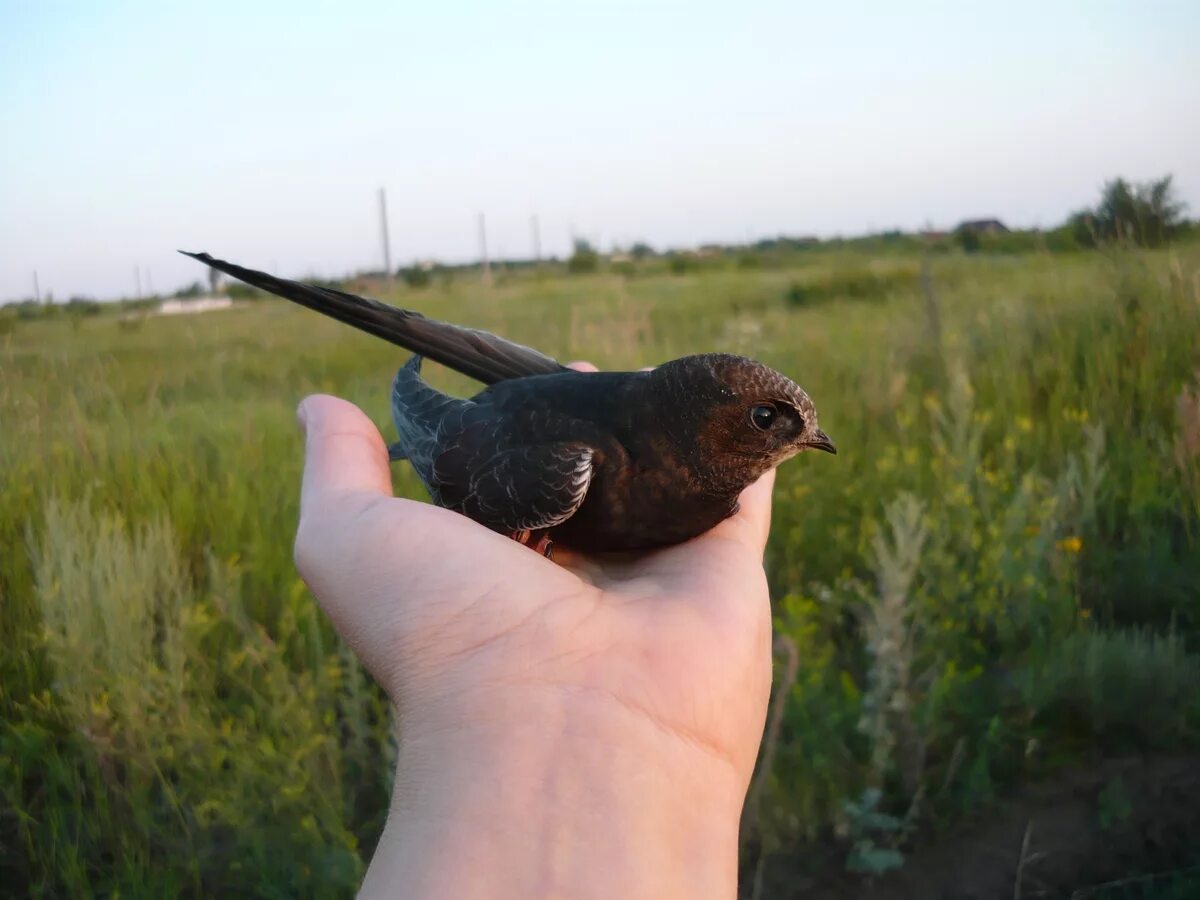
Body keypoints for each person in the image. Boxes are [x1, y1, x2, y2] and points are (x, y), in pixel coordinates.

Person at [294, 363, 774, 899]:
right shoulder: (565, 468)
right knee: (553, 476)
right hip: (502, 423)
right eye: (766, 419)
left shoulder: (717, 493)